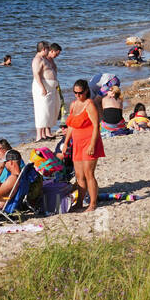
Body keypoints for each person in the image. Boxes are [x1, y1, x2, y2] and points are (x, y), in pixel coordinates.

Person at [65, 79, 104, 211]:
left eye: (80, 93)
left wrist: (92, 145)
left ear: (86, 91)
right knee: (79, 175)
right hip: (77, 143)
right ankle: (80, 202)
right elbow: (71, 125)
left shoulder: (90, 104)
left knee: (89, 173)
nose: (77, 95)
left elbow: (95, 126)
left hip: (89, 141)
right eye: (75, 93)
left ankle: (93, 203)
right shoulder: (73, 105)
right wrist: (66, 142)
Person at [32, 42, 62, 141]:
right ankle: (39, 136)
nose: (49, 50)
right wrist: (42, 88)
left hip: (50, 87)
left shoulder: (44, 59)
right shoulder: (37, 59)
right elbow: (36, 74)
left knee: (48, 110)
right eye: (47, 49)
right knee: (41, 110)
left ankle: (45, 135)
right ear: (44, 49)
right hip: (42, 87)